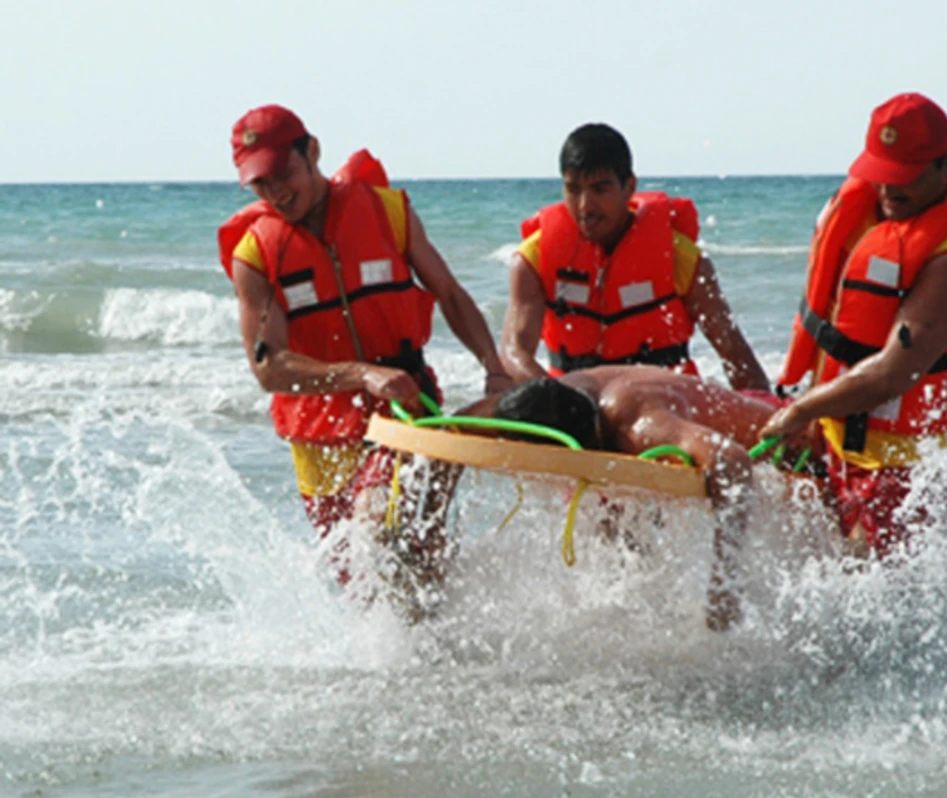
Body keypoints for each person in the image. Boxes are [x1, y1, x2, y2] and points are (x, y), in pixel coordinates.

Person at [216, 104, 513, 608]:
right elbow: (268, 367)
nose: (276, 193)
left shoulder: (387, 212)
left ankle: (458, 656)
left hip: (404, 413)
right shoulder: (255, 255)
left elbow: (450, 292)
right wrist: (361, 374)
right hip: (318, 441)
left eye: (283, 174)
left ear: (312, 151)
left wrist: (495, 366)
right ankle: (417, 676)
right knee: (366, 592)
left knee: (387, 535)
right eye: (260, 184)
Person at [763, 93, 947, 557]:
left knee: (865, 590)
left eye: (903, 179)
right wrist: (812, 413)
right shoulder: (872, 211)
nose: (888, 191)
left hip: (909, 466)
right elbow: (835, 326)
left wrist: (800, 410)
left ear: (946, 165)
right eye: (881, 175)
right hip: (838, 438)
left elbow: (894, 372)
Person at [459, 366, 788, 632]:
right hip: (686, 419)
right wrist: (428, 541)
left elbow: (732, 461)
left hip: (787, 435)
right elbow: (449, 432)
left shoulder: (638, 427)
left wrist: (724, 583)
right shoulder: (531, 404)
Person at [501, 123, 770, 393]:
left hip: (662, 404)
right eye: (573, 189)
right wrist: (557, 401)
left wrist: (771, 416)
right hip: (575, 402)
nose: (585, 206)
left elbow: (735, 355)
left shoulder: (680, 258)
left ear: (629, 186)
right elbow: (514, 354)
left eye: (599, 189)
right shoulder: (533, 260)